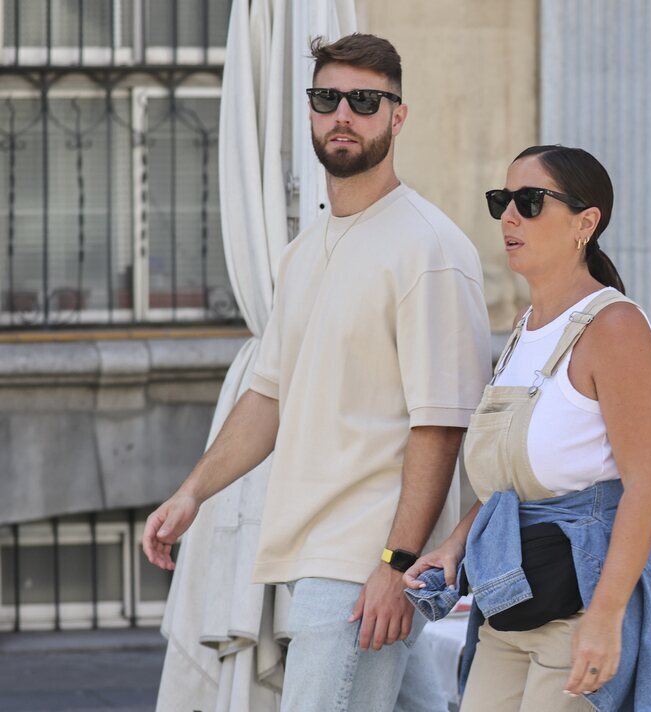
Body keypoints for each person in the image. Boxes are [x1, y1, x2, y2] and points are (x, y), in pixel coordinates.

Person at [142, 33, 491, 711]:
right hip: (311, 551)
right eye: (327, 98)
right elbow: (268, 394)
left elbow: (441, 425)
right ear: (308, 110)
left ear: (398, 114)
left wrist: (394, 565)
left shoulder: (429, 249)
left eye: (365, 101)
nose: (343, 115)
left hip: (365, 561)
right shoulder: (303, 253)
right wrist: (192, 493)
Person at [404, 145, 651, 711]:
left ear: (586, 222)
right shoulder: (524, 329)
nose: (509, 217)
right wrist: (452, 547)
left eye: (529, 201)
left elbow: (648, 482)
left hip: (581, 600)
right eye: (502, 201)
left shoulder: (614, 326)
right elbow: (514, 489)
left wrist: (605, 617)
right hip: (514, 598)